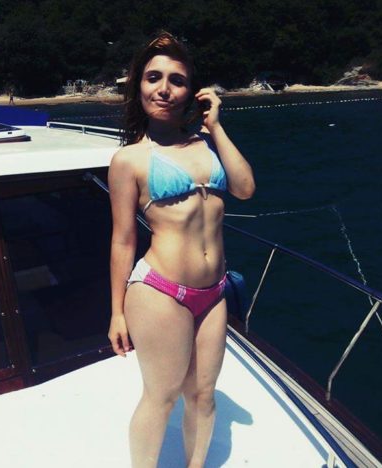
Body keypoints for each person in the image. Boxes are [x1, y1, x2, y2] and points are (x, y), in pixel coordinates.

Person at [108, 31, 255, 468]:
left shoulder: (205, 145)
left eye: (177, 80)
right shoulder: (129, 160)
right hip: (160, 292)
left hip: (214, 293)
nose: (164, 88)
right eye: (153, 77)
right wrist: (116, 312)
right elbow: (122, 239)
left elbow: (245, 188)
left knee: (204, 395)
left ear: (192, 91)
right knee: (162, 396)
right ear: (138, 86)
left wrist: (216, 126)